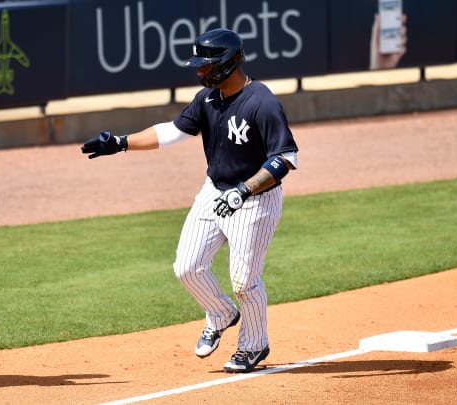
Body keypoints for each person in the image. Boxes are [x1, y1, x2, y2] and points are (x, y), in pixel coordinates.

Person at [81, 28, 298, 373]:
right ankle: (221, 313)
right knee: (187, 267)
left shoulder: (262, 102)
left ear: (227, 63)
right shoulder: (207, 99)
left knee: (244, 280)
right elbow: (171, 132)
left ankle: (254, 345)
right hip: (215, 192)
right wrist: (120, 143)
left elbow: (284, 159)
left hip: (256, 200)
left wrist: (244, 190)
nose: (199, 72)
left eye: (205, 65)